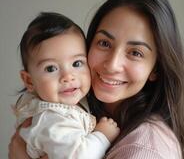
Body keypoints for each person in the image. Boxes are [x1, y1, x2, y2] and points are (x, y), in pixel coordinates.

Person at [9, 0, 184, 159]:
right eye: (104, 43)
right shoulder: (68, 110)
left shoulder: (145, 149)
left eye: (135, 53)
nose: (112, 65)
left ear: (155, 69)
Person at [12, 12, 120, 159]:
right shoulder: (50, 119)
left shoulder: (69, 102)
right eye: (51, 68)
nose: (68, 77)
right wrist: (103, 135)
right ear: (29, 81)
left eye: (77, 63)